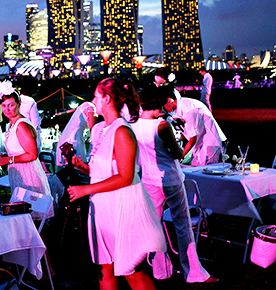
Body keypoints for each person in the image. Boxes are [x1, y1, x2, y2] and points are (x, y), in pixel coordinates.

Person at [67, 78, 165, 290]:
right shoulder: (101, 129)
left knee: (131, 272)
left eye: (95, 96)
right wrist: (84, 167)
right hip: (102, 207)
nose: (93, 101)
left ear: (107, 99)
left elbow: (126, 176)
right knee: (105, 269)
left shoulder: (122, 131)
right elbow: (104, 171)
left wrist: (85, 189)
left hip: (122, 208)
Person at [131, 86, 215, 283]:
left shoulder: (132, 125)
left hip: (148, 180)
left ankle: (161, 269)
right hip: (170, 178)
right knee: (183, 225)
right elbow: (177, 154)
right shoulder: (161, 126)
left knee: (155, 224)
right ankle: (194, 272)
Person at [0, 84, 53, 220]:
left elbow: (32, 154)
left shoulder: (22, 125)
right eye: (4, 105)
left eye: (11, 105)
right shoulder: (12, 124)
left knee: (30, 222)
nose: (7, 109)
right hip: (19, 175)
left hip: (28, 177)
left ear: (18, 104)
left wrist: (7, 160)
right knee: (23, 221)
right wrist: (5, 156)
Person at [160, 87, 226, 167]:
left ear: (169, 100)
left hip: (210, 144)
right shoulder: (178, 107)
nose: (162, 109)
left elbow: (193, 139)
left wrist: (179, 157)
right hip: (199, 144)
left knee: (207, 173)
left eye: (162, 105)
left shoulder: (189, 109)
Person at [56, 101, 96, 167]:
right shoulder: (91, 107)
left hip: (66, 138)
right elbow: (93, 130)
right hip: (74, 139)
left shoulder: (84, 106)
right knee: (78, 167)